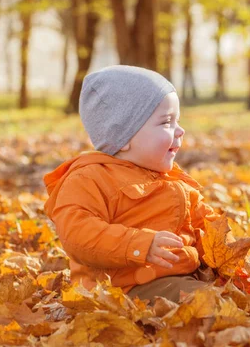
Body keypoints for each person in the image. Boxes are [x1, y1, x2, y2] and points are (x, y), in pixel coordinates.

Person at [43, 65, 220, 303]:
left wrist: (228, 252)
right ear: (123, 136)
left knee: (241, 289)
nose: (180, 130)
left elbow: (206, 226)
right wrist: (138, 245)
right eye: (167, 122)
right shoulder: (89, 179)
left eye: (177, 120)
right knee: (207, 301)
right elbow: (77, 234)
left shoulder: (172, 181)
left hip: (179, 276)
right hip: (123, 289)